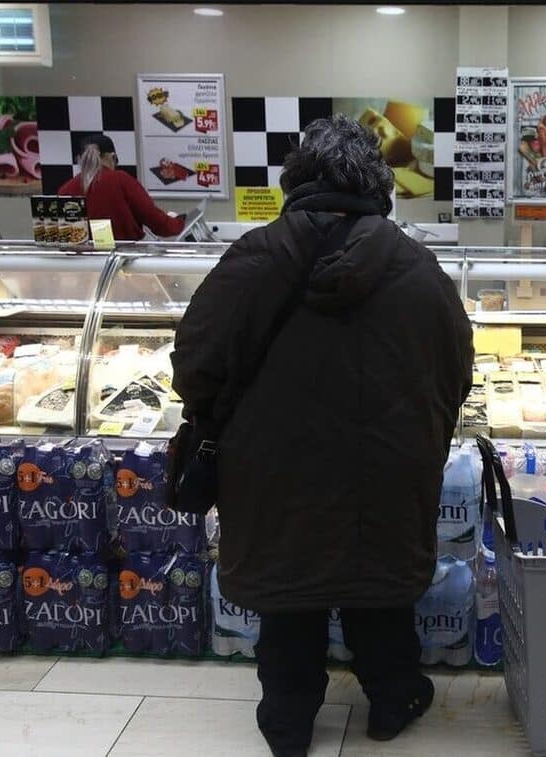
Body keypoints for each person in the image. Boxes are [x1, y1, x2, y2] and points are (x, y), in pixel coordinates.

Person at [171, 115, 473, 757]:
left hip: (273, 473)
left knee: (289, 595)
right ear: (378, 183)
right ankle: (392, 700)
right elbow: (456, 372)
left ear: (297, 180)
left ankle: (287, 723)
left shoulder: (252, 258)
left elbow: (195, 365)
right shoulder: (418, 269)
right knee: (377, 588)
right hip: (387, 471)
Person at [57, 134, 185, 241]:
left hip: (83, 261)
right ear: (112, 157)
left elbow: (66, 234)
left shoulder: (65, 189)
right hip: (122, 257)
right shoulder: (121, 179)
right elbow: (155, 220)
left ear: (79, 159)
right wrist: (179, 222)